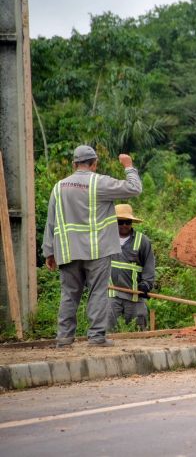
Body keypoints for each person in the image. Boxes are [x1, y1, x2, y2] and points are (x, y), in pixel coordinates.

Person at [42, 146, 142, 347]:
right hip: (97, 250)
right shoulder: (99, 183)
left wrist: (49, 251)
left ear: (74, 164)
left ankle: (64, 339)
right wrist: (129, 167)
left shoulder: (58, 187)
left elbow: (50, 222)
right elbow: (135, 188)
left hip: (67, 251)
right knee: (97, 292)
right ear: (94, 163)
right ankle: (96, 337)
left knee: (69, 295)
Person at [107, 204, 155, 331]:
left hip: (135, 296)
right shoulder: (106, 239)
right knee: (107, 331)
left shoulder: (142, 241)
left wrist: (146, 284)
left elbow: (149, 265)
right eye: (120, 222)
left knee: (139, 332)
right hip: (111, 295)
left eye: (127, 222)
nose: (124, 225)